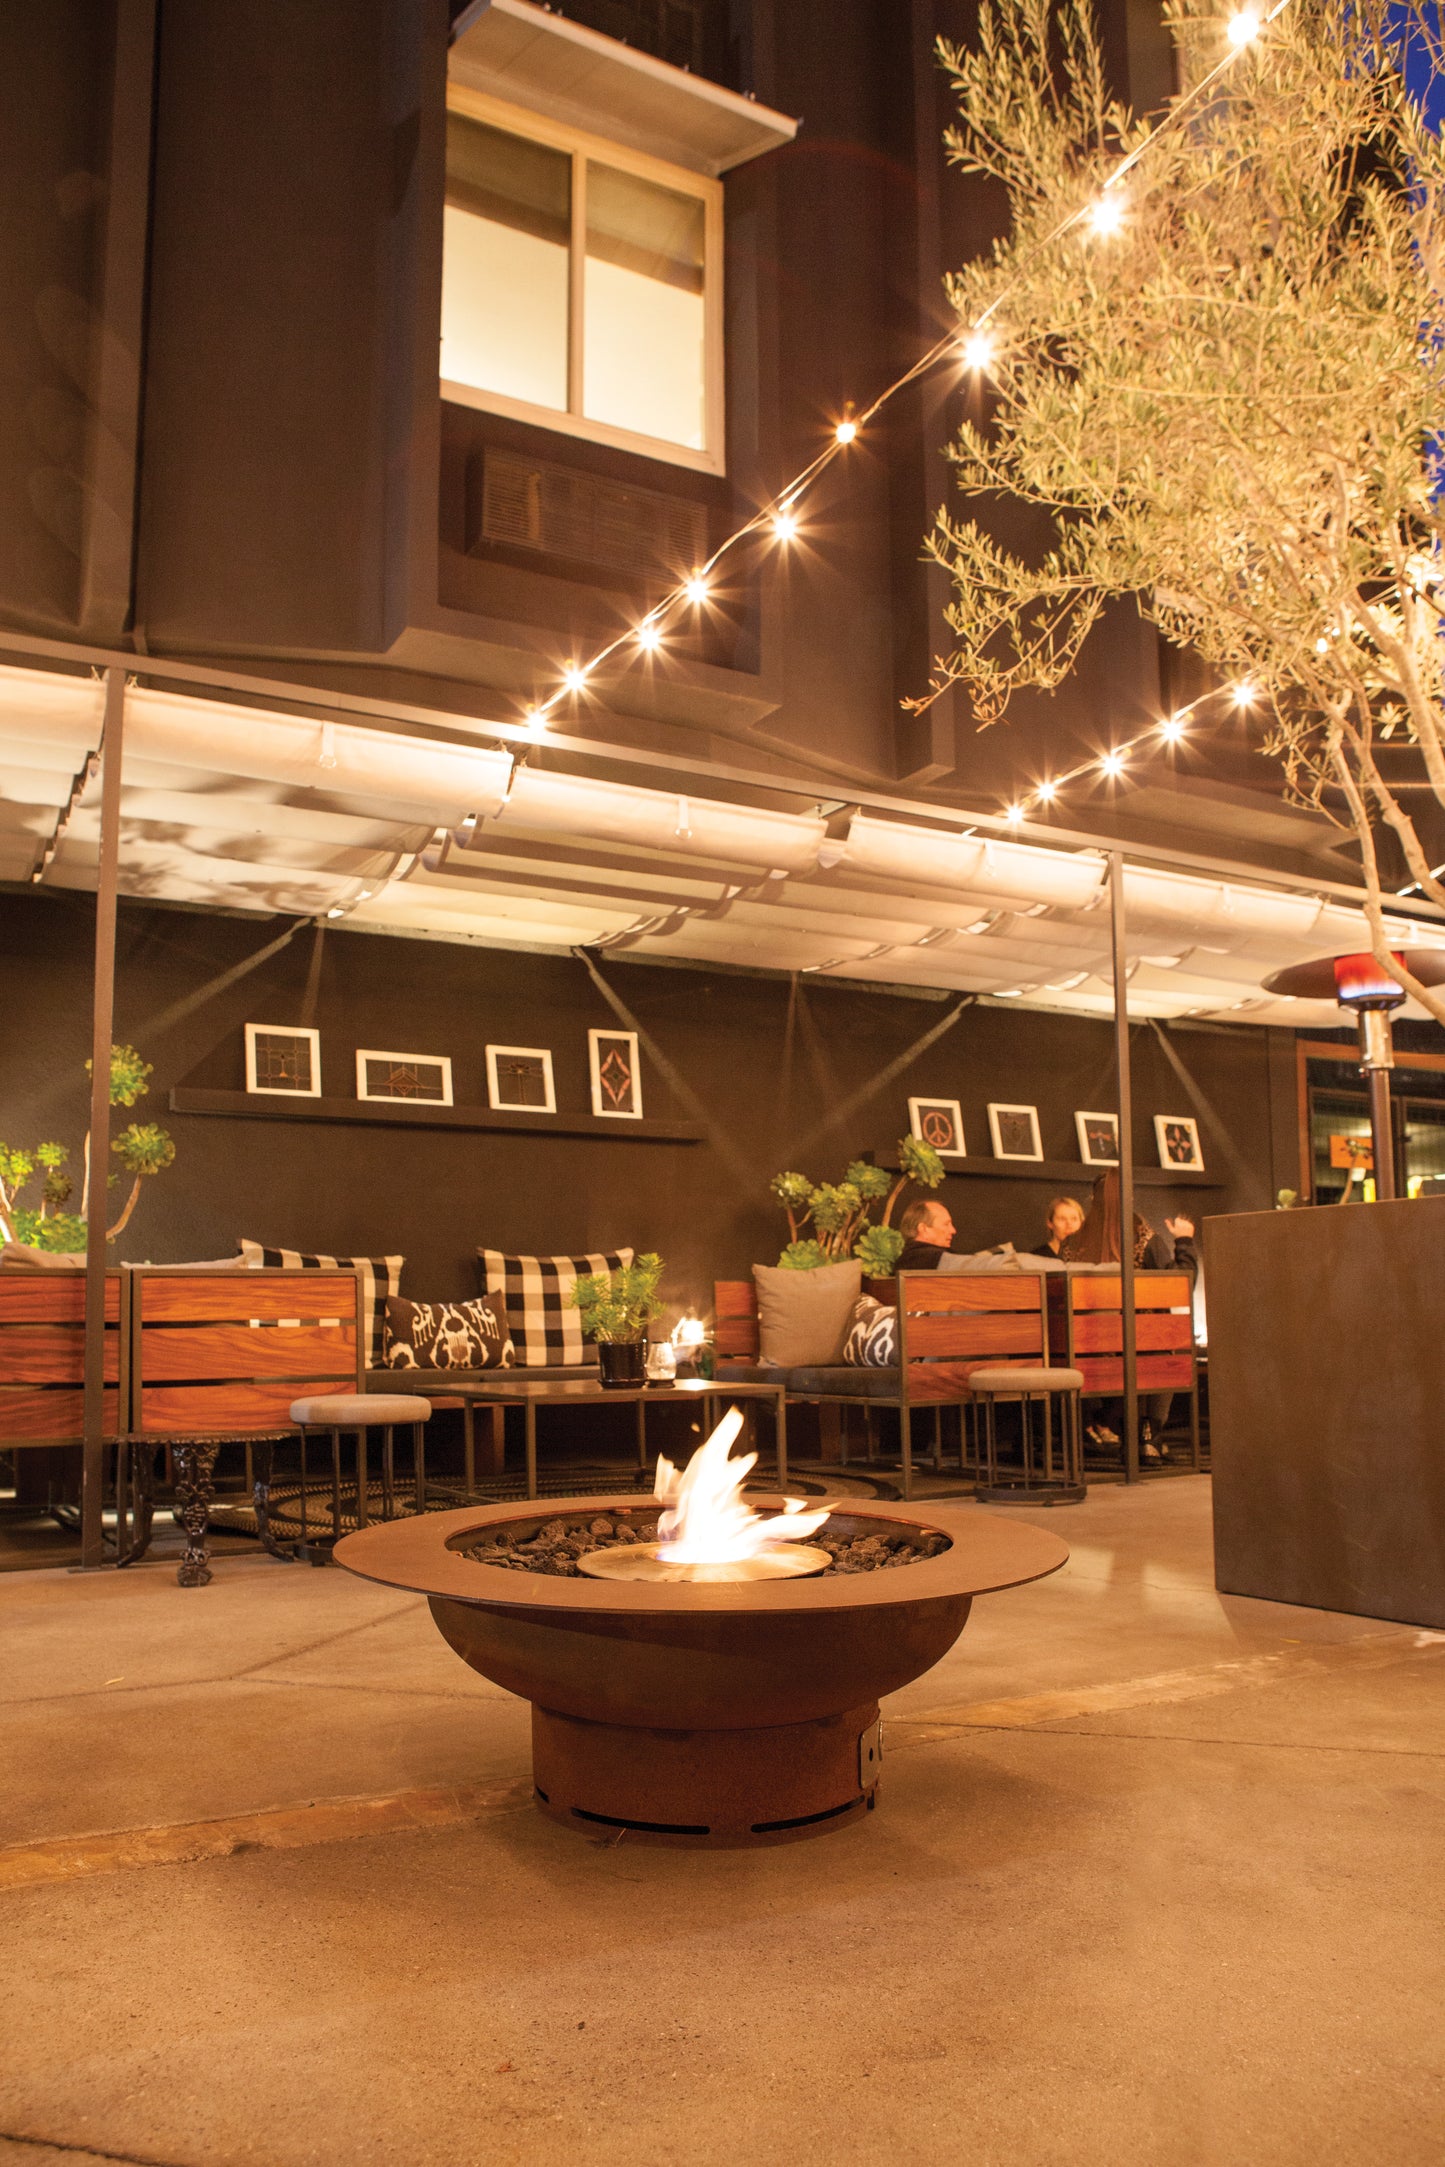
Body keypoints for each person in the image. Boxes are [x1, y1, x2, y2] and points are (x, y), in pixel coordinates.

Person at [1059, 1171, 1196, 1461]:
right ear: (1129, 1197)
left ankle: (1127, 1432)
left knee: (1141, 1343)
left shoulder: (1070, 1244)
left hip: (1087, 1348)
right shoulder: (1143, 1237)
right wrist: (1184, 1242)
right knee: (1163, 1343)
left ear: (1092, 1200)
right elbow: (1181, 1285)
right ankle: (1149, 1436)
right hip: (1139, 1348)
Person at [895, 1196, 957, 1270]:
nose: (953, 1230)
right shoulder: (919, 1258)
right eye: (946, 1224)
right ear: (924, 1229)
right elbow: (967, 1266)